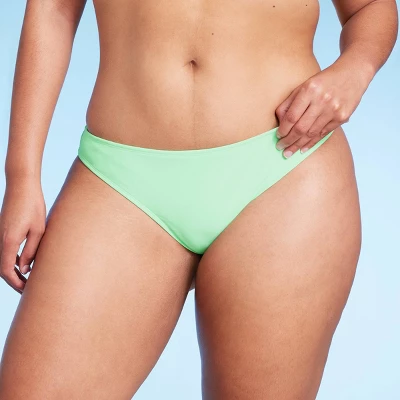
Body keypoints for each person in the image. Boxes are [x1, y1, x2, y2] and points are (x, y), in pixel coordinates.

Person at [0, 0, 397, 398]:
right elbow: (53, 8)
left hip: (282, 169)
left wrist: (355, 69)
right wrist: (21, 176)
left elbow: (370, 7)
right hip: (120, 178)